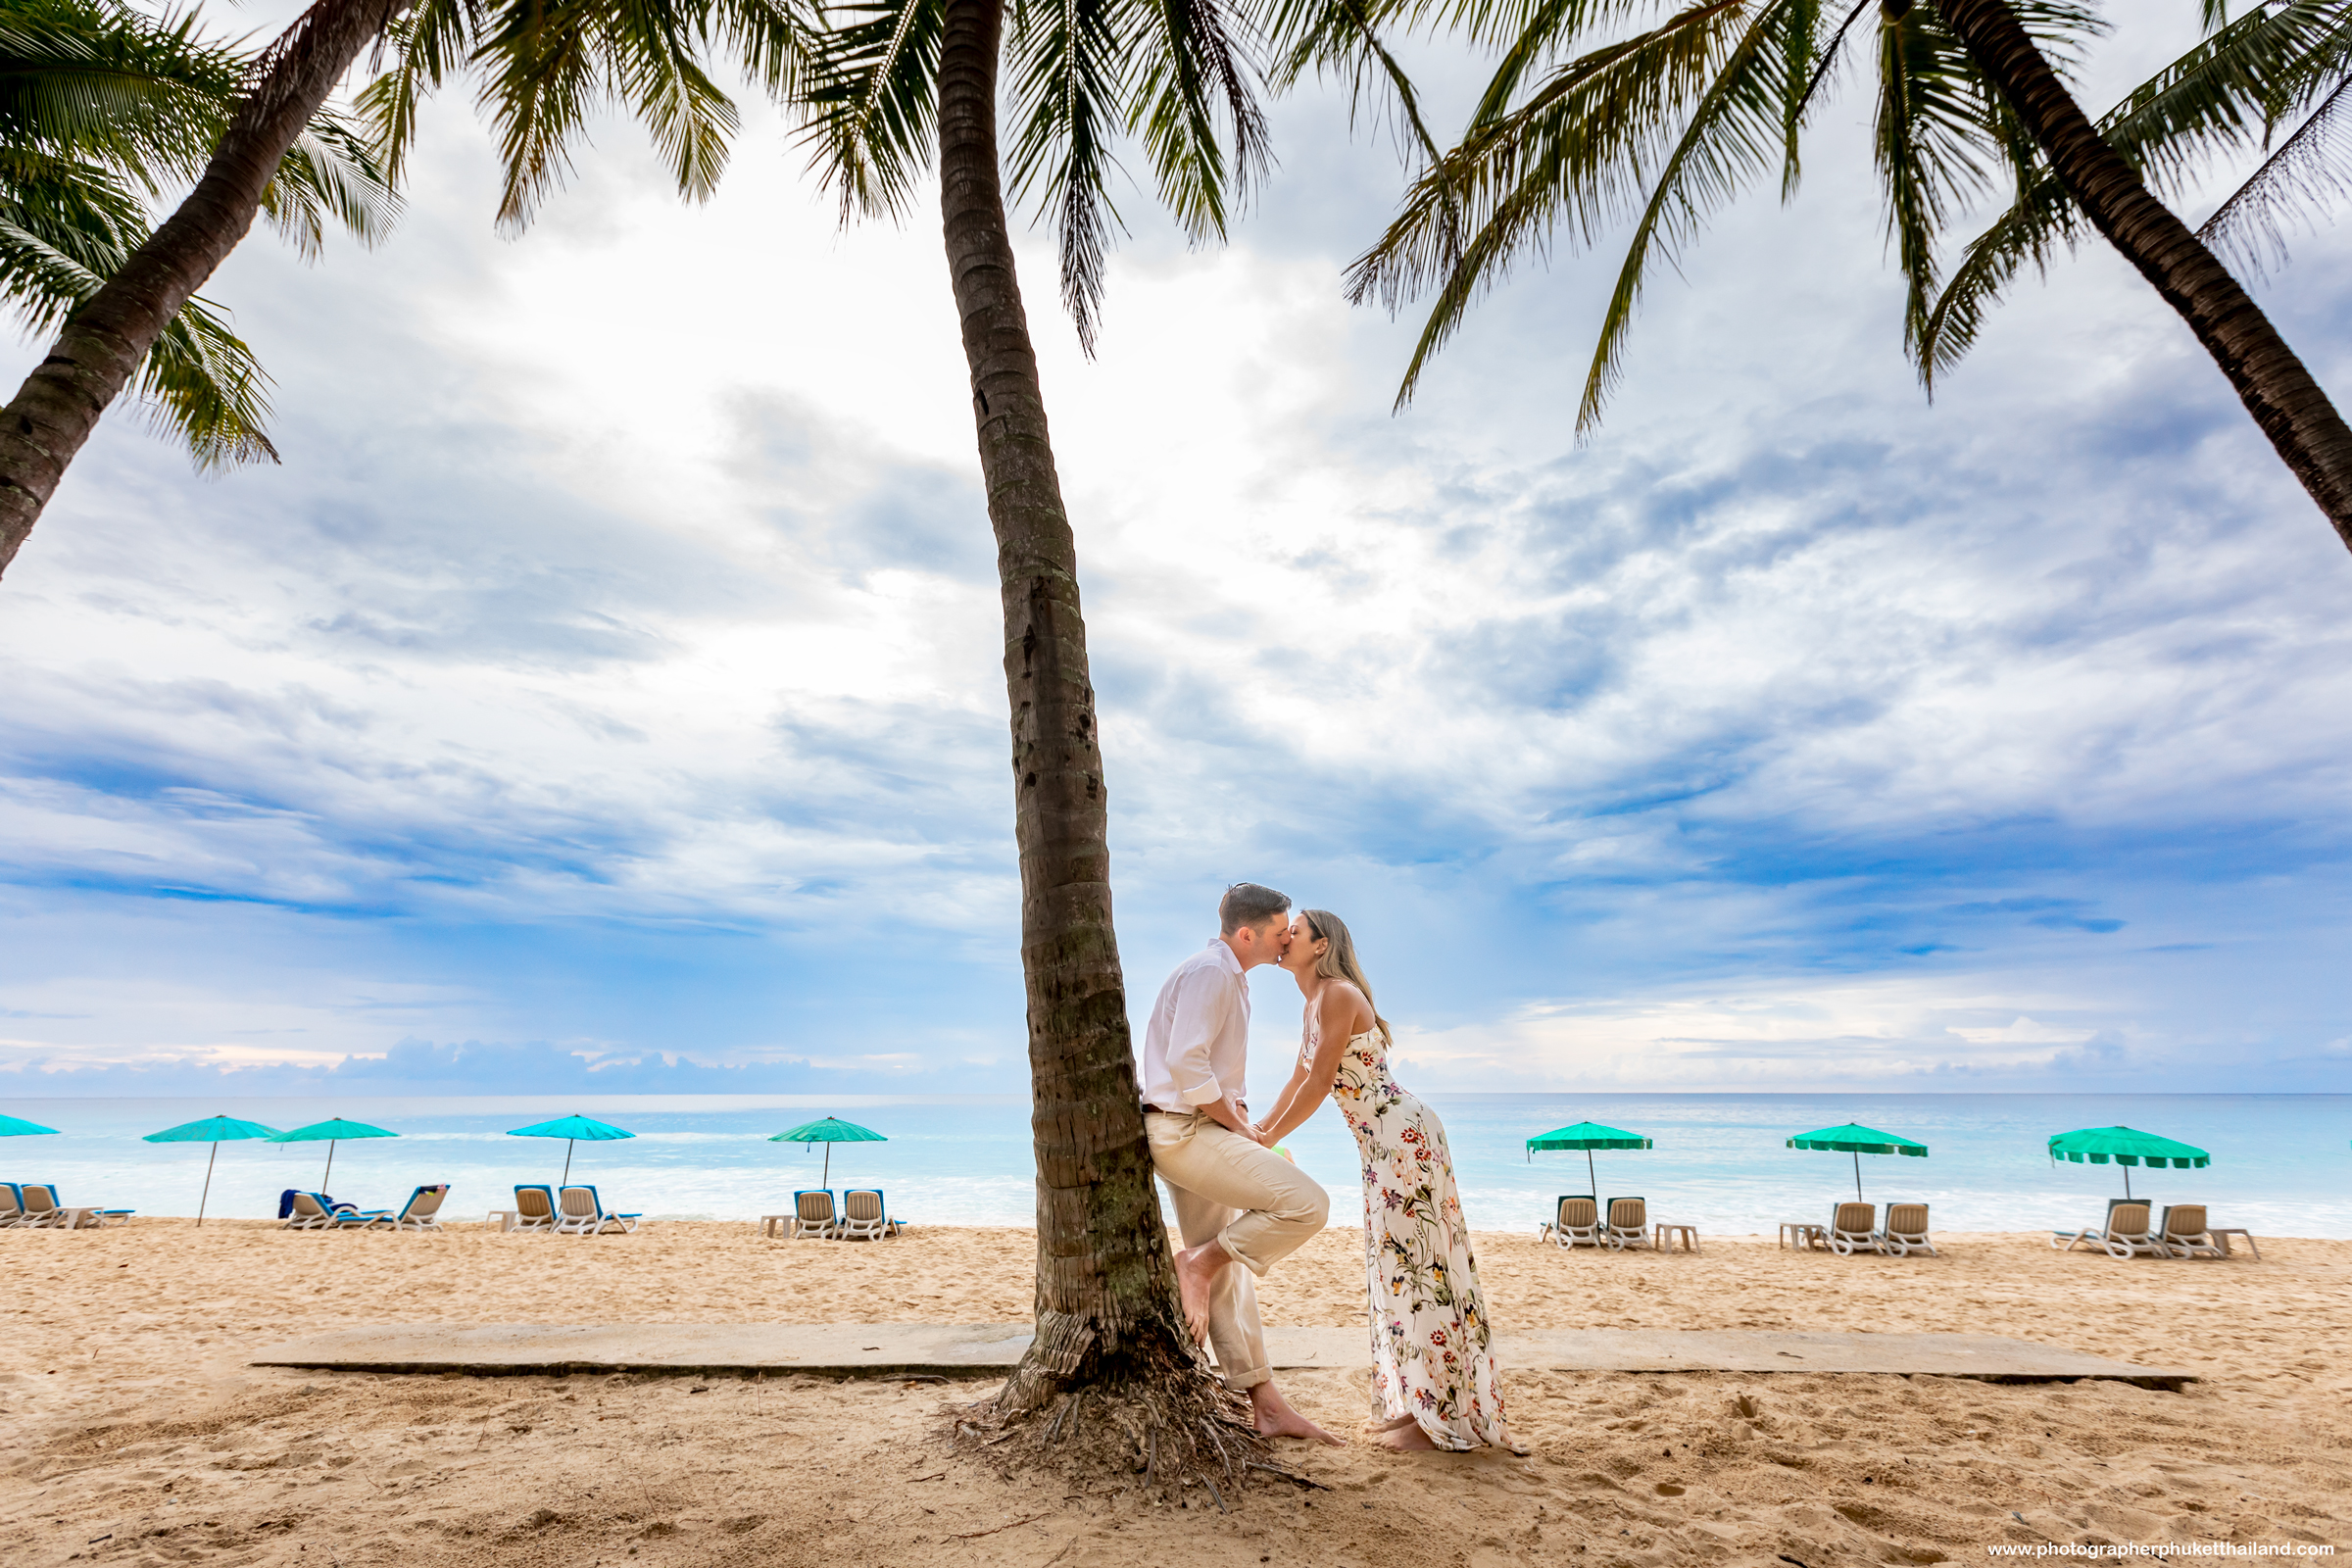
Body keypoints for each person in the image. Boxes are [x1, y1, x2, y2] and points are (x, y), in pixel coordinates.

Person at [1254, 907, 1522, 1452]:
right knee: (1398, 1267)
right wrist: (1259, 1128)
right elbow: (1297, 1078)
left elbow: (1320, 1083)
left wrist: (1265, 1138)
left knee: (1420, 1269)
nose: (1284, 938)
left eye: (1294, 932)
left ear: (1321, 944)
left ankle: (1439, 1417)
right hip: (1382, 1147)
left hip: (1404, 1140)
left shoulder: (1337, 994)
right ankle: (1419, 1405)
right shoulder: (1313, 1003)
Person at [1140, 881, 1340, 1445]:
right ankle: (1196, 1264)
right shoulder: (1211, 973)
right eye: (1281, 932)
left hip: (1199, 1128)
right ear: (1248, 933)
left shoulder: (1230, 976)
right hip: (1184, 1131)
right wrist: (1238, 1128)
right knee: (1307, 1203)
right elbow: (1187, 1066)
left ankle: (1266, 1404)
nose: (1287, 941)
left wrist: (1247, 1128)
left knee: (1228, 1271)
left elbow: (1215, 1074)